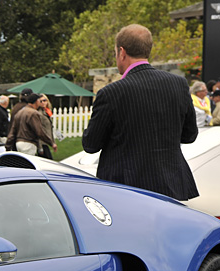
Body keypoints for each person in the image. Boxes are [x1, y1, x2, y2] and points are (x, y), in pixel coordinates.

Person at [82, 24, 198, 201]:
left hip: (125, 190)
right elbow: (190, 135)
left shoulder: (111, 93)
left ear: (122, 52)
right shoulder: (179, 84)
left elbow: (90, 145)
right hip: (171, 185)